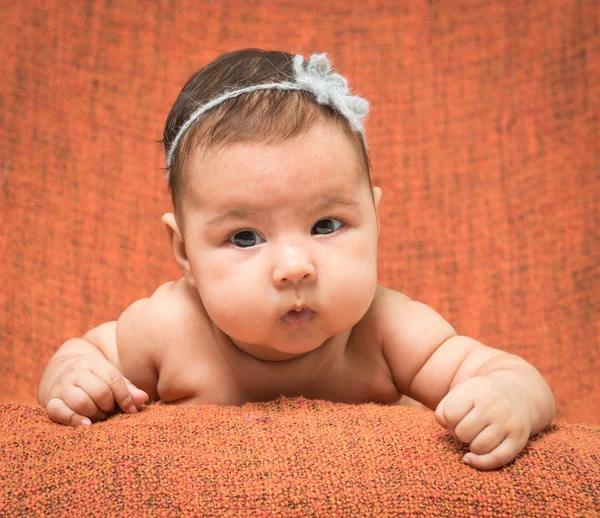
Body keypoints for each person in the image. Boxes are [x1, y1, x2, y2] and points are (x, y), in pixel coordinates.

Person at [38, 48, 555, 471]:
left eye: (326, 226)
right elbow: (82, 355)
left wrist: (508, 396)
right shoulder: (167, 327)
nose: (294, 267)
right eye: (244, 236)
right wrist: (75, 374)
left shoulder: (386, 329)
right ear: (184, 252)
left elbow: (509, 372)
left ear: (374, 219)